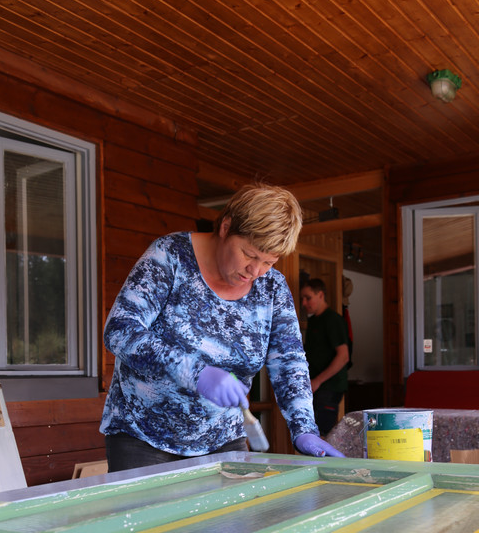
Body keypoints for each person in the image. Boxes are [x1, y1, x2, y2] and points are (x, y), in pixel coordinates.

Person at [100, 184, 345, 471]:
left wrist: (304, 427)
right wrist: (196, 373)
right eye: (249, 254)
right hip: (143, 437)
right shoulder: (170, 256)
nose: (255, 271)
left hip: (223, 440)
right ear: (226, 227)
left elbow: (289, 362)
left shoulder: (272, 287)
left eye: (269, 261)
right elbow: (120, 330)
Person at [300, 277, 350, 436]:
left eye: (308, 298)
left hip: (329, 387)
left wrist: (318, 381)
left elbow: (343, 356)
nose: (304, 303)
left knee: (322, 434)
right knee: (310, 431)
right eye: (302, 299)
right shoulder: (314, 321)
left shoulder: (333, 320)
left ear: (320, 295)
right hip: (314, 386)